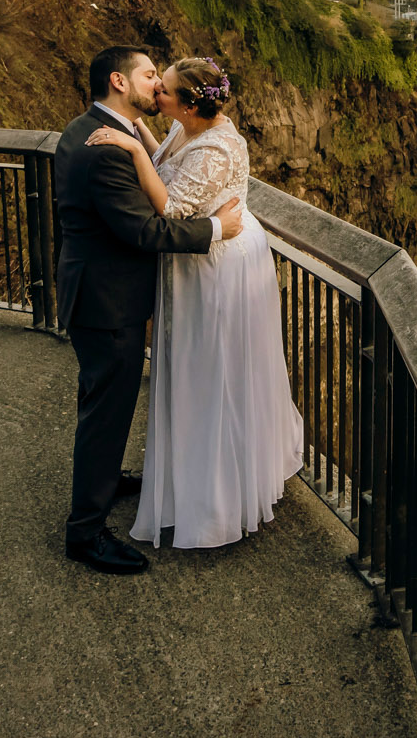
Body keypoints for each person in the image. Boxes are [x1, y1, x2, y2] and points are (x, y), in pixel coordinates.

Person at [88, 55, 304, 549]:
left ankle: (217, 498)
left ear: (187, 106)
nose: (154, 95)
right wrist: (140, 134)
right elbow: (167, 154)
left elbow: (169, 207)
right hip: (205, 254)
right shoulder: (187, 127)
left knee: (214, 373)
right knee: (203, 370)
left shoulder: (214, 151)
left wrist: (132, 148)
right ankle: (191, 479)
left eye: (162, 91)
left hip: (217, 267)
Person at [53, 45, 245, 575]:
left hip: (96, 288)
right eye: (147, 75)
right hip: (105, 300)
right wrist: (216, 229)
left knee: (102, 402)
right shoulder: (106, 148)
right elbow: (144, 230)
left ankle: (106, 479)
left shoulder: (103, 128)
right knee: (105, 412)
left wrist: (144, 147)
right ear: (120, 81)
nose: (156, 82)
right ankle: (85, 534)